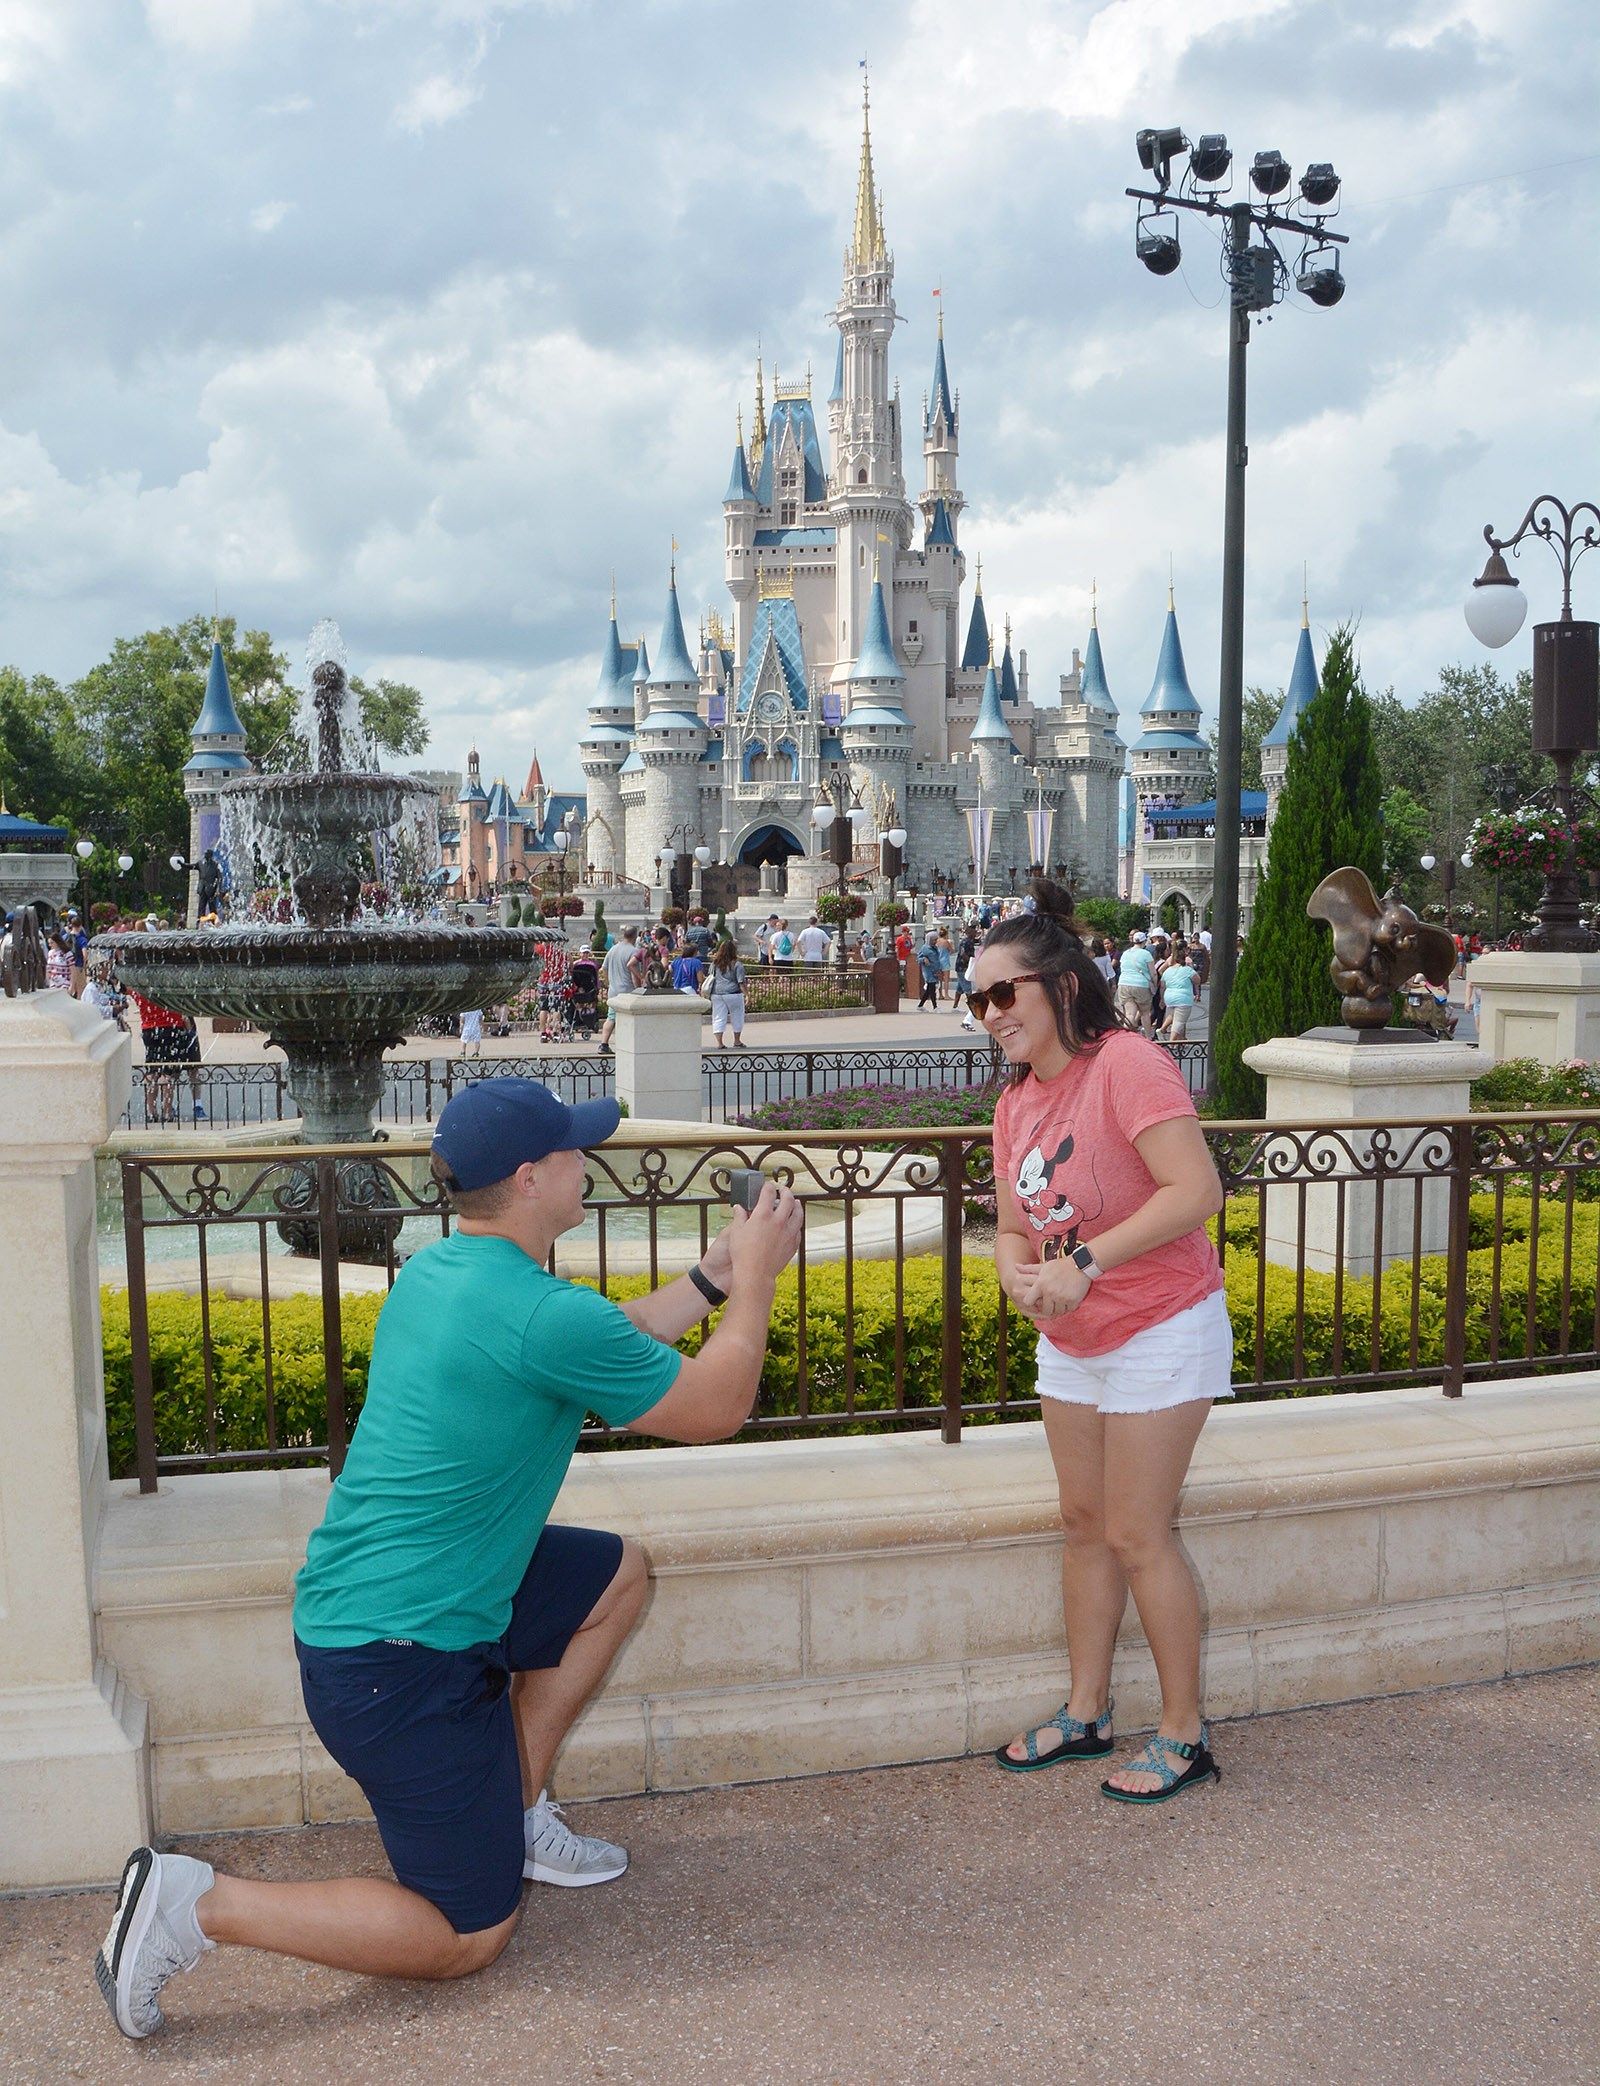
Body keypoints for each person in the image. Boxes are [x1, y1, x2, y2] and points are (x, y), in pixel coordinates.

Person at [94, 1078, 805, 2041]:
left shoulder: (444, 1271)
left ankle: (507, 1812)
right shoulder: (540, 1312)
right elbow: (715, 1408)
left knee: (614, 1575)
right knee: (468, 1932)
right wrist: (760, 1280)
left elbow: (609, 1343)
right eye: (568, 1152)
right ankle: (194, 1904)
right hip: (395, 1666)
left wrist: (716, 1274)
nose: (581, 1161)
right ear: (528, 1180)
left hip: (392, 1615)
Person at [973, 880, 1229, 1804]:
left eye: (1005, 993)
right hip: (1073, 1338)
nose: (990, 1014)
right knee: (1083, 1527)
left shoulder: (1126, 1063)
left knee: (1135, 1533)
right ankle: (1087, 1712)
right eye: (978, 1000)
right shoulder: (1014, 1107)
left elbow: (1195, 1191)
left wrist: (1082, 1259)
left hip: (1162, 1325)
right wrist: (1017, 1271)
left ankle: (1183, 1733)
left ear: (1061, 986)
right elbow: (1011, 1224)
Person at [595, 926, 642, 1053]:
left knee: (611, 1017)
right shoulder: (634, 951)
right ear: (634, 936)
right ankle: (628, 1045)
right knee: (630, 1019)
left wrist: (608, 982)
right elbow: (634, 973)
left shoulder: (613, 949)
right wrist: (639, 987)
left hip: (614, 990)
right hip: (628, 990)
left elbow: (603, 968)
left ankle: (604, 1044)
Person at [705, 937, 747, 1048]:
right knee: (737, 1016)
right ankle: (737, 1041)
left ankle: (720, 1043)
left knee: (718, 1017)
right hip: (733, 993)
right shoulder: (737, 964)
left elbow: (710, 976)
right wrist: (747, 995)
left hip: (717, 993)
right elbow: (741, 982)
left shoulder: (715, 963)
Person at [1115, 931, 1156, 1037]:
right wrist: (1154, 985)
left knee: (1129, 1014)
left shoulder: (1125, 953)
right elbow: (1153, 973)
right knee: (1145, 1013)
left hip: (1124, 983)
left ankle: (1126, 1037)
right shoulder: (1146, 954)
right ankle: (1148, 1037)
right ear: (1144, 941)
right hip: (1141, 985)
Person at [1158, 943, 1198, 1042]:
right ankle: (1171, 1042)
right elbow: (1197, 980)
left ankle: (1162, 1029)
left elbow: (1162, 986)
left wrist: (1162, 999)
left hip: (1169, 997)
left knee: (1172, 1015)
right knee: (1179, 1021)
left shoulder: (1168, 971)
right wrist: (1196, 991)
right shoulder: (1187, 970)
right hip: (1183, 998)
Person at [916, 928, 942, 1011]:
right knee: (932, 989)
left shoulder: (935, 948)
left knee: (929, 990)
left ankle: (920, 1006)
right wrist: (923, 959)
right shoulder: (925, 948)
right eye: (934, 940)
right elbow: (918, 959)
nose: (935, 941)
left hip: (935, 971)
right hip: (928, 971)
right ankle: (935, 1007)